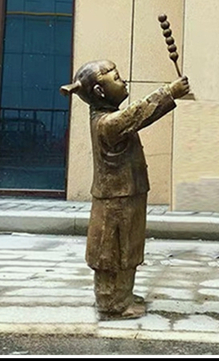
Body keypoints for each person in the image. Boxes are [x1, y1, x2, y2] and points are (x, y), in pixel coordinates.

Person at [60, 61, 190, 320]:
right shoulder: (107, 123)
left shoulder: (108, 118)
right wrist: (169, 92)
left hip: (127, 194)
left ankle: (123, 295)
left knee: (128, 249)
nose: (124, 82)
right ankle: (112, 303)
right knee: (111, 251)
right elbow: (137, 114)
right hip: (115, 199)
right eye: (117, 78)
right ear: (99, 91)